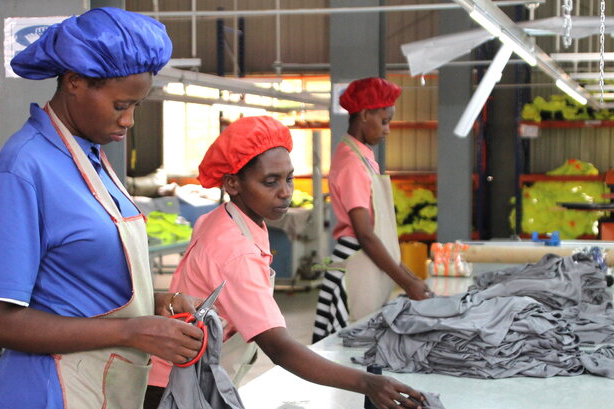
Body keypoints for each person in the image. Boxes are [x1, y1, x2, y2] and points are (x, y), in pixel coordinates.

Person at [0, 8, 204, 409]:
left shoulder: (89, 157)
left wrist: (153, 305)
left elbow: (78, 283)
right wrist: (129, 332)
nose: (128, 120)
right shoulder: (24, 167)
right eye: (120, 105)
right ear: (74, 82)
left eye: (136, 107)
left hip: (102, 387)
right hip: (47, 393)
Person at [146, 116, 428, 409]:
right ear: (232, 183)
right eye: (270, 182)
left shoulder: (224, 219)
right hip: (174, 387)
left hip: (185, 373)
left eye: (289, 178)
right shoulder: (235, 251)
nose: (285, 191)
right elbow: (279, 348)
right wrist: (366, 383)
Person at [313, 77, 431, 343]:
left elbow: (377, 235)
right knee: (353, 345)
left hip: (369, 258)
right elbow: (365, 234)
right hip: (357, 262)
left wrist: (410, 276)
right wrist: (408, 282)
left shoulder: (364, 157)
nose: (388, 130)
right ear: (365, 114)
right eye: (384, 121)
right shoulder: (352, 162)